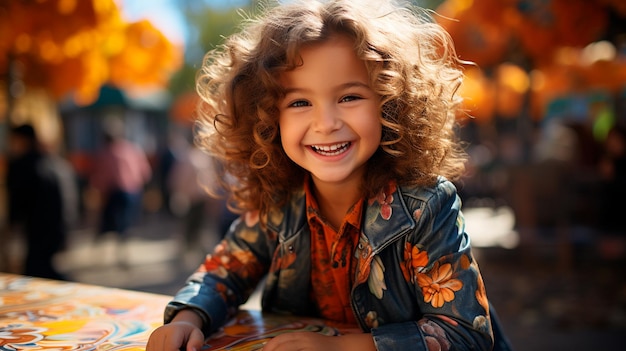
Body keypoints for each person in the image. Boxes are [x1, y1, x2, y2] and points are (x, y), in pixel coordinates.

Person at [147, 1, 511, 350]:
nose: (326, 124)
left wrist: (346, 347)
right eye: (300, 102)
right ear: (268, 118)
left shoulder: (427, 206)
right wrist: (188, 317)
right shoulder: (278, 199)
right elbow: (223, 273)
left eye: (349, 97)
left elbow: (465, 334)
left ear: (391, 103)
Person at [5, 124, 77, 280]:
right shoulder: (54, 161)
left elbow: (17, 202)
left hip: (39, 227)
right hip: (59, 226)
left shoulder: (23, 164)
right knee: (46, 269)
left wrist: (10, 227)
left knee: (37, 272)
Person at [90, 118, 152, 260]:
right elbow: (145, 172)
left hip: (115, 192)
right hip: (133, 192)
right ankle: (122, 251)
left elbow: (101, 177)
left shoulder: (106, 153)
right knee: (124, 223)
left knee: (108, 223)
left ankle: (105, 253)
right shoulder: (133, 149)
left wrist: (97, 190)